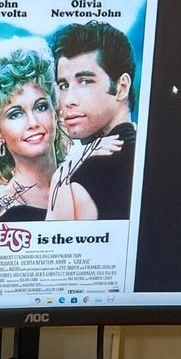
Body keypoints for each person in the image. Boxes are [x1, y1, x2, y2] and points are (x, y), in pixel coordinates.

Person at [0, 48, 70, 222]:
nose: (33, 122)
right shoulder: (10, 212)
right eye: (15, 114)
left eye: (40, 107)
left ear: (55, 113)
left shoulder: (81, 177)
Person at [47, 21, 138, 221]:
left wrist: (61, 177)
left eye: (85, 81)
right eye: (63, 85)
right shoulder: (147, 152)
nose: (68, 100)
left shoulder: (84, 175)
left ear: (121, 87)